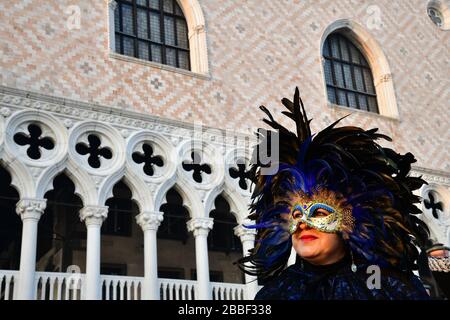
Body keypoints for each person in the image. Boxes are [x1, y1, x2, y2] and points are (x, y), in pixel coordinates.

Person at [237, 87, 439, 300]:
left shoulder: (389, 285)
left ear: (350, 221)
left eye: (320, 213)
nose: (303, 223)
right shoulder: (276, 293)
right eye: (296, 215)